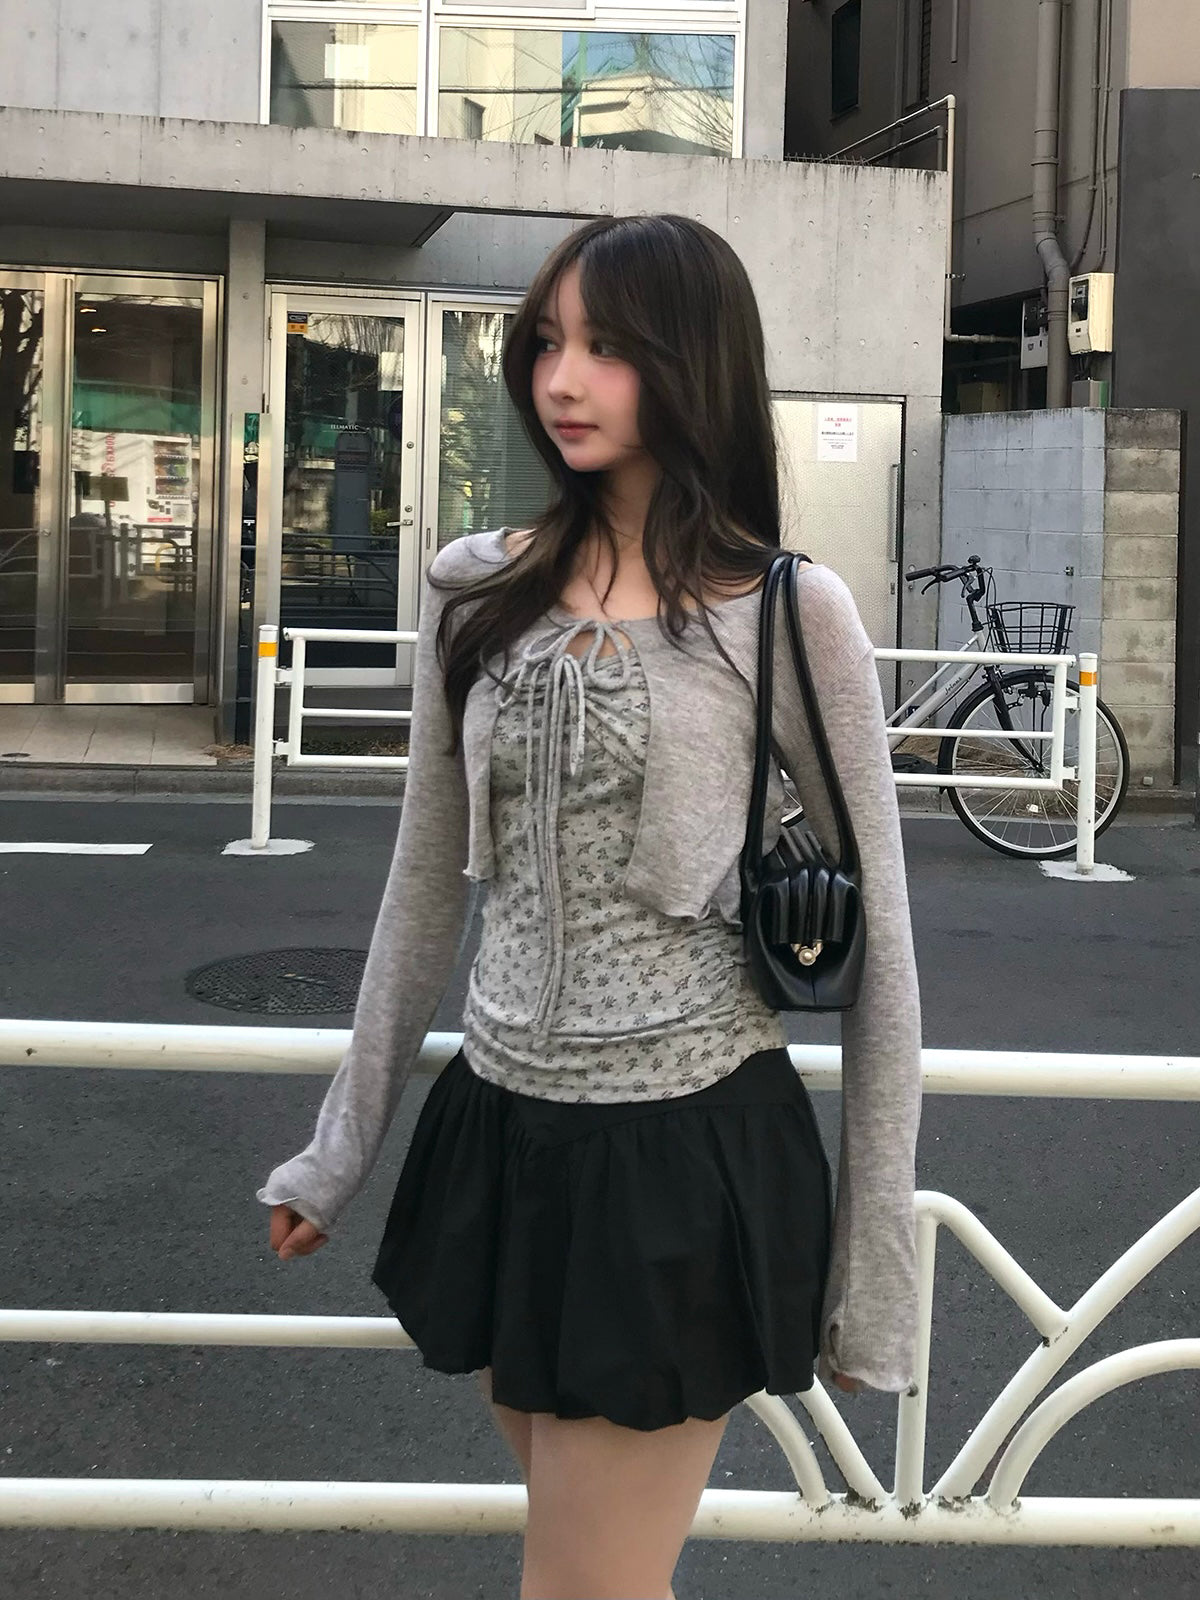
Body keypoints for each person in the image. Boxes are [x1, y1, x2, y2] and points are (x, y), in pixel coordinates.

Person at [257, 213, 922, 1600]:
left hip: (679, 1150)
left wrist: (875, 1282)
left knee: (581, 1587)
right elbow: (422, 883)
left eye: (609, 348)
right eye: (548, 343)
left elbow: (890, 963)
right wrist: (339, 1150)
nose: (562, 379)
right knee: (604, 1575)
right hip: (500, 1132)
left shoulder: (784, 613)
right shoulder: (477, 591)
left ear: (693, 364)